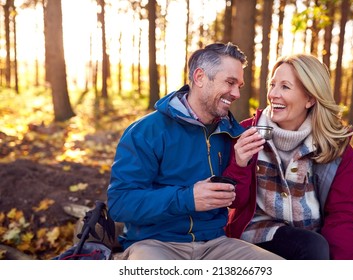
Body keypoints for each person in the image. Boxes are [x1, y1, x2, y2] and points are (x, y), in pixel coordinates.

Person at [107, 42, 283, 260]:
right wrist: (187, 198)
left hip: (216, 245)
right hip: (154, 244)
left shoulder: (230, 133)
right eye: (229, 82)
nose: (237, 93)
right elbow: (120, 204)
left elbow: (236, 202)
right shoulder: (146, 131)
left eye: (239, 85)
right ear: (200, 77)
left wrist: (239, 165)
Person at [223, 53, 353, 260]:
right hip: (259, 231)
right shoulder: (246, 134)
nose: (273, 94)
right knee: (312, 246)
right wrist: (239, 164)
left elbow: (341, 216)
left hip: (315, 230)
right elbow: (234, 203)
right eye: (272, 84)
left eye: (285, 87)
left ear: (310, 98)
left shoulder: (336, 148)